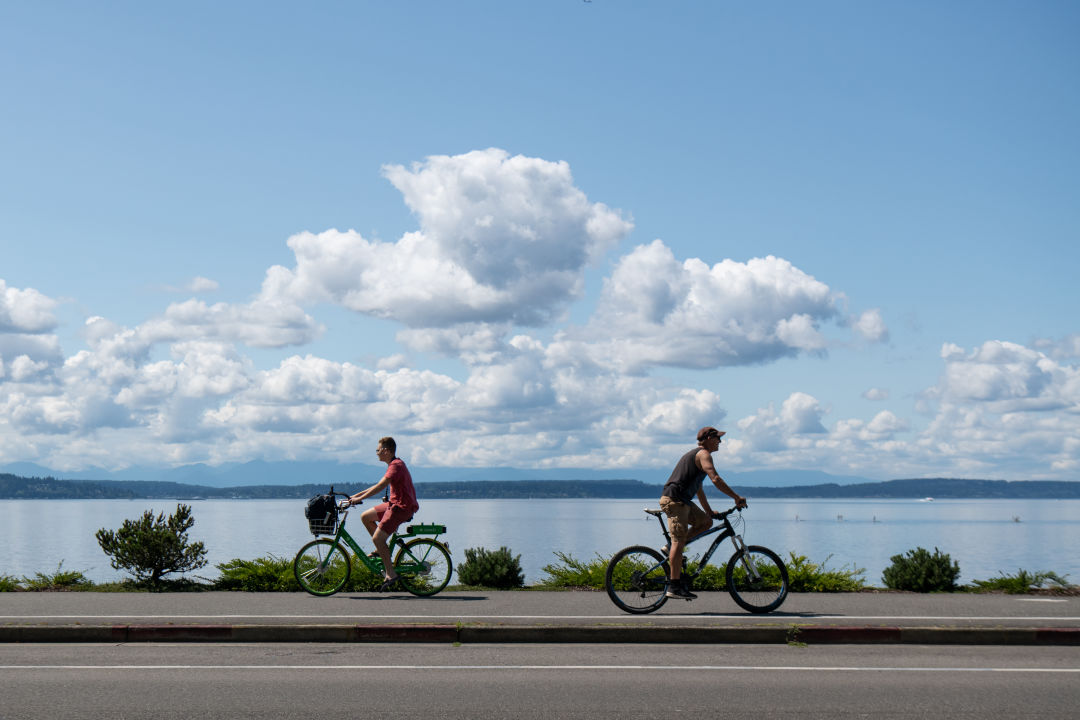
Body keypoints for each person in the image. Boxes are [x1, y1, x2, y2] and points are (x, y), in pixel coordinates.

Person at [659, 426, 746, 600]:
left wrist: (708, 511)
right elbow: (716, 478)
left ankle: (671, 549)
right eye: (718, 438)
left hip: (682, 501)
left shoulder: (697, 457)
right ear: (707, 439)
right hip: (675, 501)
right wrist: (736, 497)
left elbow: (698, 488)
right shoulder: (704, 454)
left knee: (706, 522)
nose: (720, 442)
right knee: (679, 540)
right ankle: (674, 586)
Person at [345, 436, 420, 591]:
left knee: (378, 538)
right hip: (393, 504)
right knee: (365, 517)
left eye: (378, 450)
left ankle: (390, 573)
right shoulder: (393, 464)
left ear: (386, 450)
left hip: (401, 507)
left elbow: (380, 486)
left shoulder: (396, 465)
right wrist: (353, 497)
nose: (377, 453)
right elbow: (377, 485)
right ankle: (381, 550)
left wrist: (359, 498)